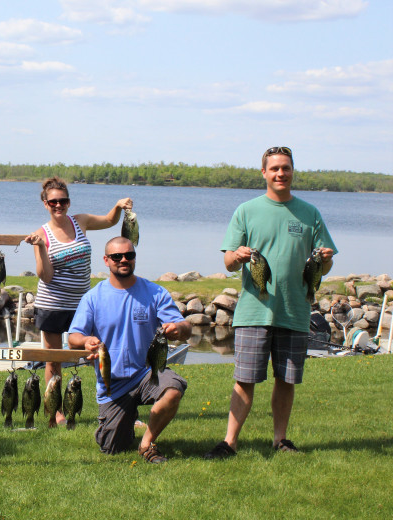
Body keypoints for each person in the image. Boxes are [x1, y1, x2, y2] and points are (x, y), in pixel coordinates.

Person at [203, 146, 336, 459]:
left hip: (295, 310)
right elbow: (228, 263)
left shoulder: (310, 213)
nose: (280, 174)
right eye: (274, 168)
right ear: (264, 172)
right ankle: (230, 442)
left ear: (292, 172)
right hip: (254, 311)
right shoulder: (246, 210)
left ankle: (281, 440)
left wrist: (325, 260)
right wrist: (236, 255)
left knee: (286, 379)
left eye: (285, 168)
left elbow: (323, 266)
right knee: (245, 379)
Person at [68, 236, 192, 463]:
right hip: (113, 384)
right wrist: (85, 341)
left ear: (134, 258)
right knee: (111, 447)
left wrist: (178, 328)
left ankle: (147, 443)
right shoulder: (93, 298)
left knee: (173, 389)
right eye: (117, 256)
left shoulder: (155, 293)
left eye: (129, 255)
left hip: (147, 373)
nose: (124, 260)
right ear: (106, 260)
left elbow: (186, 327)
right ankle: (124, 418)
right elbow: (73, 337)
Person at [24, 177, 132, 425]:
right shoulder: (41, 234)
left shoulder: (80, 221)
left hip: (84, 303)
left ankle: (115, 407)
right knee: (53, 358)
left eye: (62, 201)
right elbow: (46, 276)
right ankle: (55, 413)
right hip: (53, 304)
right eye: (53, 202)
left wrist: (117, 206)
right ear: (45, 203)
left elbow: (109, 221)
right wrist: (40, 247)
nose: (58, 205)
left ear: (69, 202)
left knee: (100, 353)